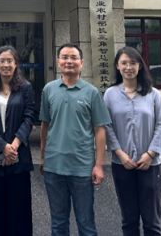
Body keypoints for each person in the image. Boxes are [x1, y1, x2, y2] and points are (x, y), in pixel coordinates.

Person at [39, 42, 112, 236]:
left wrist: (99, 165)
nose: (69, 61)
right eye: (65, 57)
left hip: (82, 168)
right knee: (58, 223)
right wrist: (43, 157)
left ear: (81, 62)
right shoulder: (49, 90)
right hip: (54, 166)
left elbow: (100, 130)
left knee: (86, 223)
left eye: (73, 57)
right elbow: (45, 125)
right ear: (58, 62)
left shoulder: (92, 92)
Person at [104, 46, 161, 236]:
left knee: (152, 222)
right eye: (124, 63)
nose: (128, 67)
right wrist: (120, 154)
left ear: (140, 66)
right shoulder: (110, 94)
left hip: (150, 165)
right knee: (129, 220)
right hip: (122, 164)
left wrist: (150, 154)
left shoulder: (153, 94)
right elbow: (107, 126)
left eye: (132, 63)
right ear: (117, 66)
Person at [0, 45, 35, 236]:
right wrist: (3, 147)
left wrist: (14, 147)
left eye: (10, 61)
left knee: (19, 212)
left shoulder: (25, 87)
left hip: (19, 158)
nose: (6, 64)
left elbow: (29, 117)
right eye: (2, 60)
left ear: (16, 64)